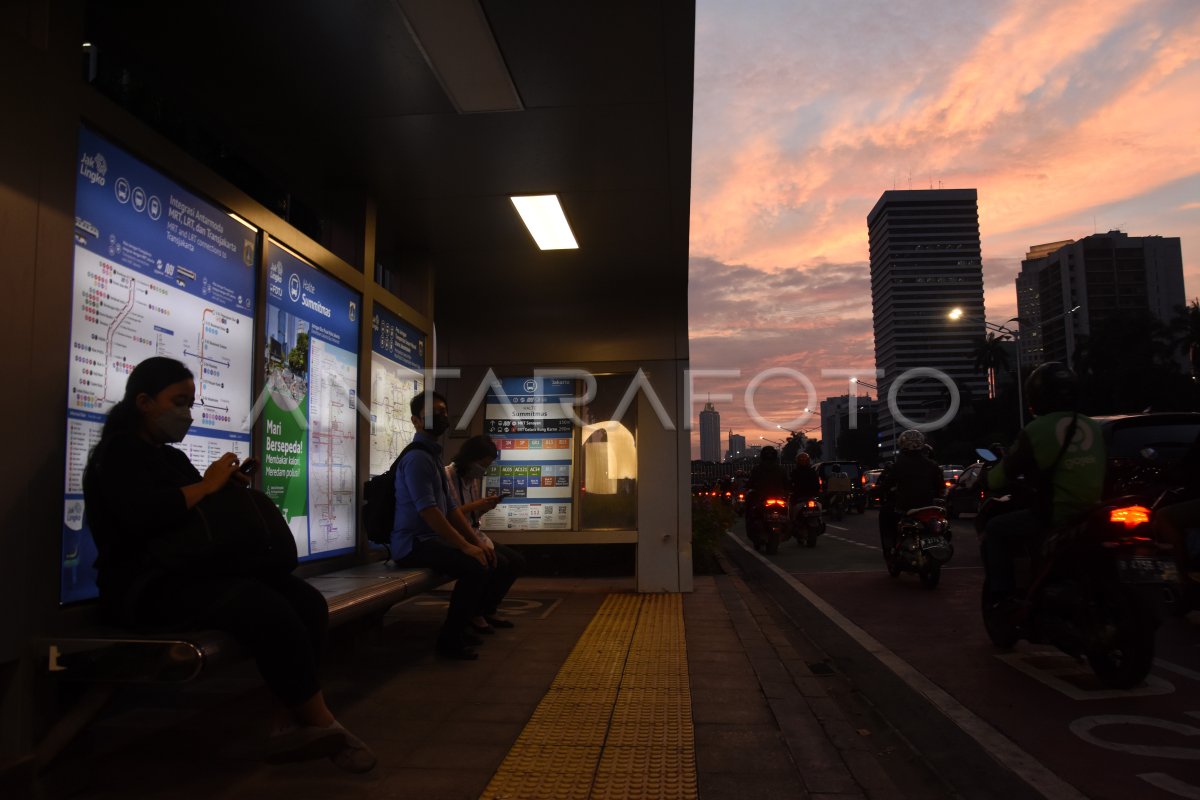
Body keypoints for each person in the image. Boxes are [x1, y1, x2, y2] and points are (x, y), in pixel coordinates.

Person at [82, 357, 374, 772]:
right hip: (144, 587)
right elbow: (148, 514)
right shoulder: (117, 455)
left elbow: (195, 513)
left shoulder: (167, 455)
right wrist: (208, 484)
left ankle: (286, 717)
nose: (185, 412)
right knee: (264, 608)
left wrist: (222, 486)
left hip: (188, 574)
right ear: (144, 402)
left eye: (190, 402)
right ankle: (322, 723)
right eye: (178, 402)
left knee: (304, 601)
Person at [981, 362, 1106, 604]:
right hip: (1094, 511)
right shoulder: (1092, 425)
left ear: (1037, 396)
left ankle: (1002, 596)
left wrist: (988, 479)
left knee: (995, 528)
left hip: (1057, 514)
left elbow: (1003, 474)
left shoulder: (1037, 429)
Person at [390, 391, 497, 660]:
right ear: (416, 420)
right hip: (413, 544)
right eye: (433, 414)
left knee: (482, 558)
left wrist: (476, 542)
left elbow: (449, 507)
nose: (441, 418)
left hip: (430, 540)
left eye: (443, 412)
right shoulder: (417, 459)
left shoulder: (432, 456)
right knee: (474, 567)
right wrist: (465, 546)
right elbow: (429, 511)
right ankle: (450, 640)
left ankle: (459, 629)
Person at [445, 434, 527, 634]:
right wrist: (475, 505)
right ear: (470, 458)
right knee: (493, 561)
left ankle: (486, 609)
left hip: (472, 533)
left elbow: (470, 515)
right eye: (482, 464)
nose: (484, 470)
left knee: (516, 560)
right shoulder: (446, 476)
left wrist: (483, 508)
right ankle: (474, 614)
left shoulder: (471, 479)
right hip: (452, 537)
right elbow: (446, 515)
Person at [875, 429, 943, 556]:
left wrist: (874, 492)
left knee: (885, 514)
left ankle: (889, 549)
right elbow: (941, 488)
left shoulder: (899, 465)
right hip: (928, 506)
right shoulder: (932, 465)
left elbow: (885, 486)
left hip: (905, 507)